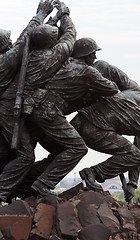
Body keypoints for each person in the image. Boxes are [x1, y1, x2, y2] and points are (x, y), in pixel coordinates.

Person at [20, 37, 119, 197]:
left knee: (59, 150)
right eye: (93, 54)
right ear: (85, 54)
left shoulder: (63, 63)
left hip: (36, 107)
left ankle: (25, 183)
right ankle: (42, 184)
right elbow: (111, 89)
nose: (95, 58)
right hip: (49, 111)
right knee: (78, 148)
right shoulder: (87, 71)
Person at [72, 89, 140, 203]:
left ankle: (47, 180)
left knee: (61, 151)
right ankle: (92, 172)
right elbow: (137, 155)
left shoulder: (133, 93)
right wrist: (132, 184)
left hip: (78, 120)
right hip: (94, 131)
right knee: (136, 156)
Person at [0, 0, 55, 202]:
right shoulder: (5, 61)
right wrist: (39, 14)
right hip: (6, 110)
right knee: (25, 156)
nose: (12, 41)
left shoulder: (4, 57)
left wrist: (49, 22)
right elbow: (25, 40)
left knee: (5, 152)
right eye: (9, 40)